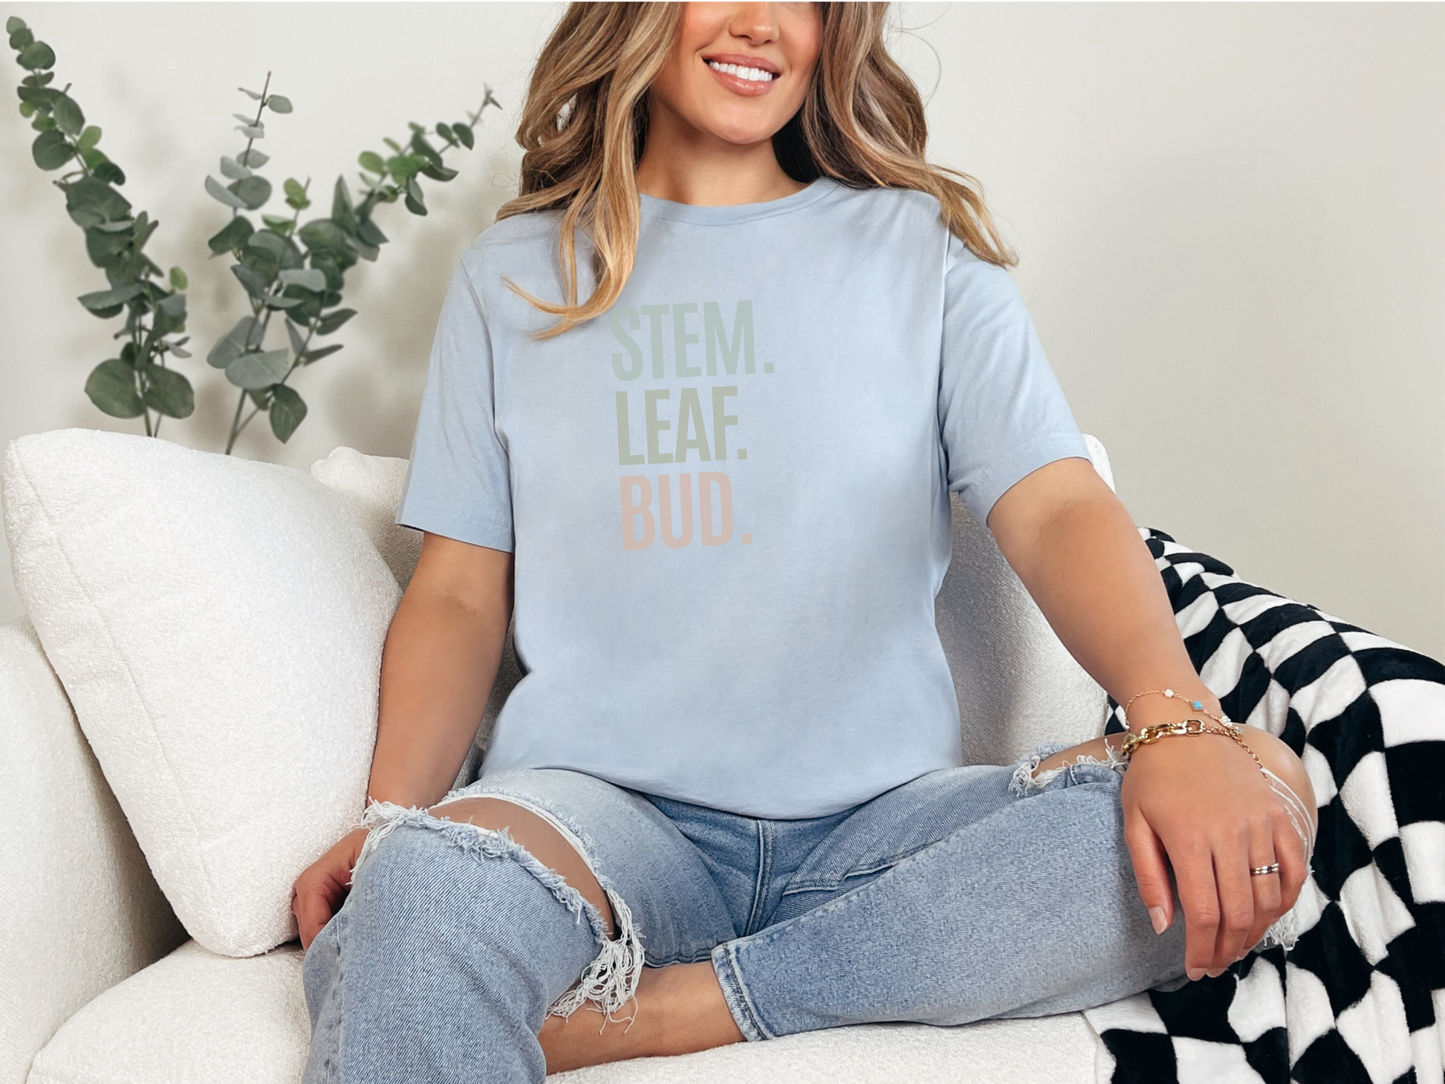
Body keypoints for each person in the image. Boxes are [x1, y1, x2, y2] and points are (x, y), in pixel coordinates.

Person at [292, 0, 1318, 1080]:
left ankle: (673, 1009)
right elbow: (458, 594)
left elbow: (1054, 504)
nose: (761, 25)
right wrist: (393, 820)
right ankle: (832, 974)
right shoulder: (515, 274)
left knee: (1264, 780)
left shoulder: (921, 254)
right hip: (602, 820)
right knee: (422, 889)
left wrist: (1173, 721)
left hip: (882, 835)